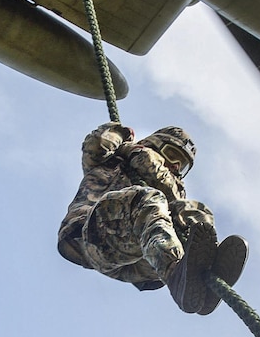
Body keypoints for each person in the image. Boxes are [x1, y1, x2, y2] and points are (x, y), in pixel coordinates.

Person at [57, 122, 245, 315]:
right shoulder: (113, 161)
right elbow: (98, 144)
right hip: (92, 234)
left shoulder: (173, 189)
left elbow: (163, 183)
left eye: (182, 165)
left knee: (193, 211)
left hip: (139, 261)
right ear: (154, 145)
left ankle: (199, 279)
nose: (175, 165)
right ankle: (174, 272)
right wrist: (122, 137)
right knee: (147, 199)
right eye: (172, 155)